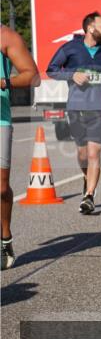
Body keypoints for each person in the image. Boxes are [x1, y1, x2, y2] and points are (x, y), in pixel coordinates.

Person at [46, 12, 101, 214]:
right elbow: (51, 69)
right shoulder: (70, 48)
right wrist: (72, 74)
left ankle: (89, 196)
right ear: (90, 28)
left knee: (94, 152)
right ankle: (88, 179)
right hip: (77, 108)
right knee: (82, 154)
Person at [1, 25, 39, 269]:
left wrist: (4, 81)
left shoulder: (5, 36)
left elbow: (31, 75)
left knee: (1, 187)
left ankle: (4, 237)